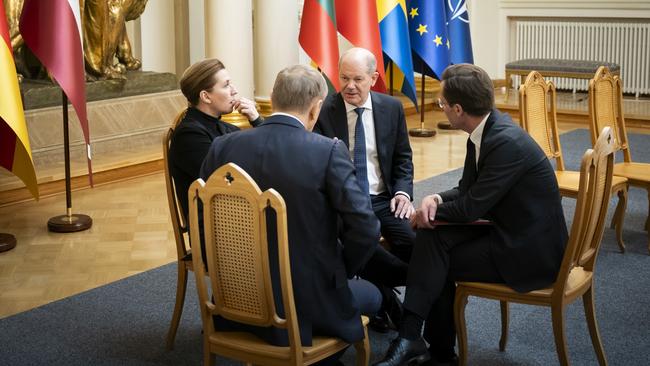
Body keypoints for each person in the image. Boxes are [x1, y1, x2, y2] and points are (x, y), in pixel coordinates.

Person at [374, 64, 568, 366]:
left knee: (437, 258)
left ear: (458, 109)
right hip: (510, 229)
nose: (442, 109)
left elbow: (470, 208)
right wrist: (436, 198)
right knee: (432, 239)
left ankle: (423, 343)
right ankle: (423, 344)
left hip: (531, 252)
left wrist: (429, 211)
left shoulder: (504, 143)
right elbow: (467, 189)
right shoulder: (487, 130)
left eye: (442, 104)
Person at [199, 65, 382, 358]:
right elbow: (366, 227)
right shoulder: (327, 152)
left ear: (273, 97)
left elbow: (201, 219)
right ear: (316, 108)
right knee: (373, 296)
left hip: (234, 300)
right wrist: (340, 271)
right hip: (306, 303)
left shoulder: (222, 147)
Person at [314, 47, 415, 332]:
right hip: (343, 202)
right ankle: (386, 301)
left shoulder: (391, 108)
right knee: (363, 240)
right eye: (344, 78)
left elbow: (403, 159)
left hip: (384, 198)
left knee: (413, 242)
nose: (349, 86)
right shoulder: (323, 111)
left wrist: (403, 193)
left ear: (374, 78)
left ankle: (403, 302)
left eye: (357, 79)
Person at [168, 58, 262, 221]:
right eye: (226, 85)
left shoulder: (225, 127)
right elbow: (225, 181)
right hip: (214, 230)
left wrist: (256, 119)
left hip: (237, 215)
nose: (234, 91)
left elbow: (264, 152)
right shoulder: (189, 135)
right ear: (206, 96)